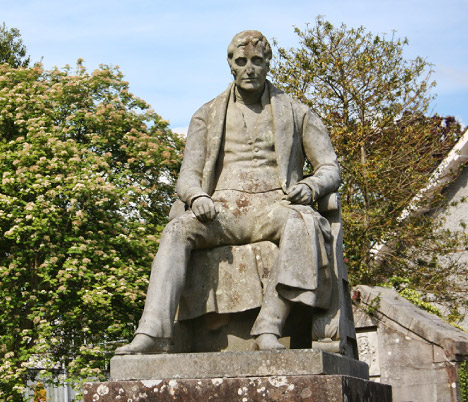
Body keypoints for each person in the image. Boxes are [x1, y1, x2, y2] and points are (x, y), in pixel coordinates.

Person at [116, 30, 340, 354]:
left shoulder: (297, 112)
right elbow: (187, 177)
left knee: (302, 224)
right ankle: (153, 332)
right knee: (177, 229)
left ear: (268, 64)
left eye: (257, 61)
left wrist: (310, 185)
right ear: (231, 66)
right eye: (242, 61)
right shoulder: (206, 114)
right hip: (222, 209)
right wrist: (197, 197)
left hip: (275, 205)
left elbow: (330, 168)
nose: (250, 68)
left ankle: (269, 327)